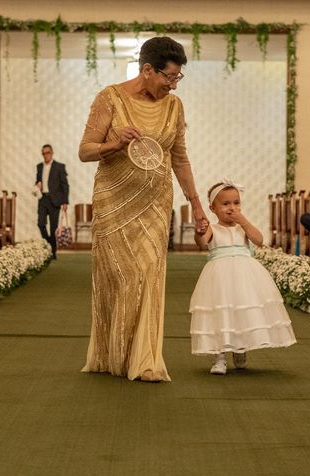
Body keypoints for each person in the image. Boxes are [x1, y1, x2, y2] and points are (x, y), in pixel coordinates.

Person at [78, 36, 208, 382]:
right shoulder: (110, 98)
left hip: (154, 203)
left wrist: (196, 204)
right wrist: (115, 144)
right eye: (169, 77)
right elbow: (86, 150)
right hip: (113, 201)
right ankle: (112, 354)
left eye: (178, 78)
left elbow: (180, 158)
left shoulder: (174, 107)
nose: (172, 84)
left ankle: (146, 360)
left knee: (149, 274)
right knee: (119, 277)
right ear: (147, 70)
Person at [190, 180, 296, 374]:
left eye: (236, 203)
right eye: (226, 204)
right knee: (221, 312)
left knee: (242, 310)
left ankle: (240, 347)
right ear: (213, 208)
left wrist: (244, 221)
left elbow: (259, 240)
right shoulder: (213, 228)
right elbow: (201, 242)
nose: (232, 208)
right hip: (219, 278)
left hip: (245, 276)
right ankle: (219, 357)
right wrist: (199, 231)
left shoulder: (242, 228)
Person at [35, 144, 69, 259]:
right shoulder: (39, 167)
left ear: (52, 153)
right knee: (40, 223)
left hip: (55, 200)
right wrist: (37, 184)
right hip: (43, 199)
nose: (46, 155)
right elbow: (38, 181)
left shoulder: (59, 167)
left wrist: (65, 202)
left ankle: (53, 252)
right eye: (44, 153)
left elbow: (65, 185)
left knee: (53, 227)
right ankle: (49, 244)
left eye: (48, 152)